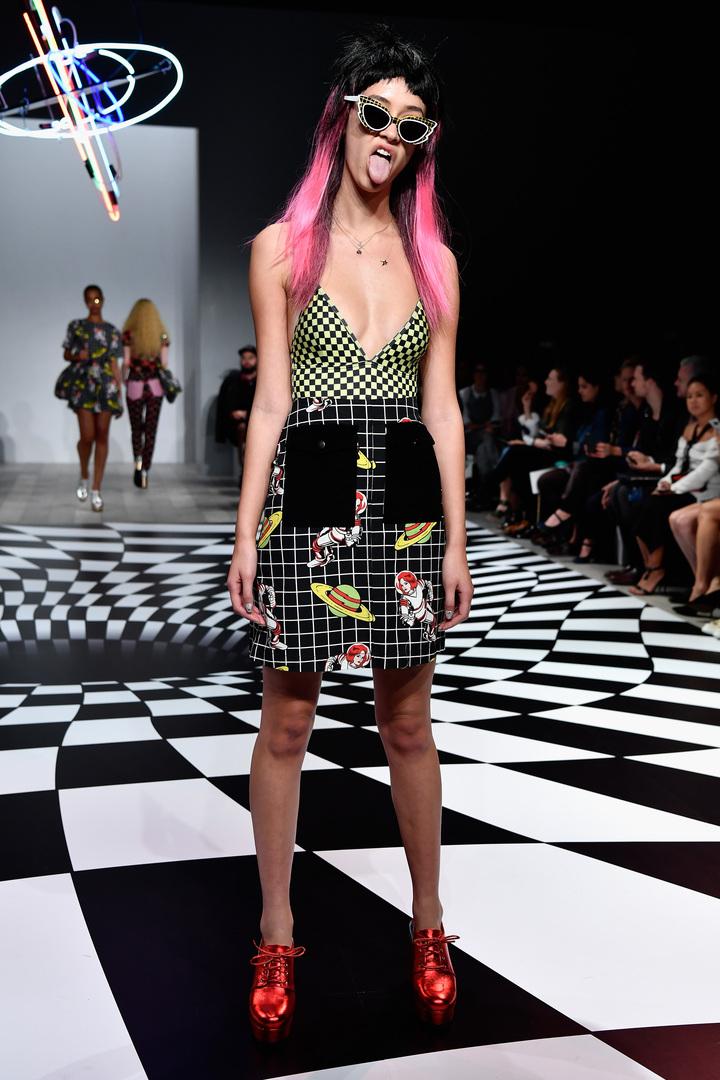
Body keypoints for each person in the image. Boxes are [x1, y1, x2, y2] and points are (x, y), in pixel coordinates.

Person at [224, 24, 472, 1043]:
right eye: (376, 114)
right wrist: (244, 538)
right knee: (288, 723)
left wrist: (457, 542)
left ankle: (429, 923)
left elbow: (445, 410)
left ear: (424, 139)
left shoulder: (436, 260)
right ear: (344, 119)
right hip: (310, 494)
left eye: (411, 124)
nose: (391, 135)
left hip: (407, 501)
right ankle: (277, 928)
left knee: (406, 724)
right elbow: (273, 403)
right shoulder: (282, 250)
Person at [628, 374, 720, 596]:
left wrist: (674, 488)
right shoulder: (689, 429)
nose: (694, 401)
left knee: (658, 506)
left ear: (714, 398)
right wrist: (665, 482)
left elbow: (706, 471)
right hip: (689, 487)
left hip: (707, 491)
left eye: (700, 395)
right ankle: (658, 568)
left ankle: (660, 569)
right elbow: (680, 467)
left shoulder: (717, 429)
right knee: (645, 500)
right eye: (689, 396)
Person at [58, 284, 123, 512]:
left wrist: (119, 393)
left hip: (106, 385)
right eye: (89, 299)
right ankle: (84, 473)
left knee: (102, 436)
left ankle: (96, 489)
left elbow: (115, 364)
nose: (93, 303)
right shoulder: (77, 327)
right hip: (84, 384)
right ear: (85, 301)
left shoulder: (112, 331)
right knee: (87, 436)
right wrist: (78, 354)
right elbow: (66, 352)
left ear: (103, 300)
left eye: (97, 299)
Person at [492, 366, 575, 534]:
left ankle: (488, 488)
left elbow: (560, 440)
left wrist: (535, 441)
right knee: (516, 457)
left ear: (562, 384)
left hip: (558, 456)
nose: (546, 382)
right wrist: (527, 409)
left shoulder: (569, 406)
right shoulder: (552, 406)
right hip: (546, 451)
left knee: (516, 453)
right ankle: (524, 517)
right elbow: (537, 433)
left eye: (551, 379)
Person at [121, 299, 170, 489]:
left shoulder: (128, 335)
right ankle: (146, 471)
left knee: (136, 429)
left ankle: (138, 463)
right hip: (155, 387)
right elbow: (164, 364)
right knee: (150, 430)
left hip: (134, 385)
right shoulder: (161, 336)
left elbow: (126, 363)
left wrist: (123, 380)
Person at [458, 362, 501, 507]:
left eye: (484, 372)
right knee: (486, 437)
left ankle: (483, 489)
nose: (481, 376)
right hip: (468, 437)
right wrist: (484, 426)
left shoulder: (493, 394)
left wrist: (485, 427)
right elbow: (466, 423)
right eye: (478, 372)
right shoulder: (465, 393)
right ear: (473, 374)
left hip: (485, 439)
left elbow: (496, 420)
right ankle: (495, 472)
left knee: (484, 449)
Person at [215, 345, 258, 481]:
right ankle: (245, 471)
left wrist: (248, 414)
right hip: (237, 426)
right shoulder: (233, 381)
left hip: (259, 422)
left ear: (257, 359)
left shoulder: (262, 380)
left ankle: (248, 473)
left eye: (250, 358)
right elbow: (225, 406)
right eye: (243, 358)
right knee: (242, 430)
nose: (246, 361)